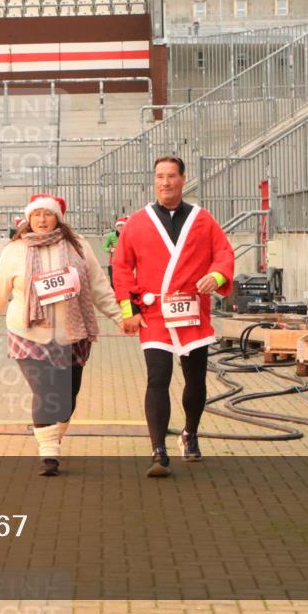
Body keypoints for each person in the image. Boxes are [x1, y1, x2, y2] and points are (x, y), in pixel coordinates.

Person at [0, 194, 124, 476]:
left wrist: (119, 316)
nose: (42, 220)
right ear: (28, 219)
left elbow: (99, 286)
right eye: (36, 214)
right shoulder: (15, 250)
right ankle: (49, 455)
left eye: (48, 214)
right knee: (45, 392)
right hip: (28, 334)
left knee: (68, 396)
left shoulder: (78, 246)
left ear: (58, 218)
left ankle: (54, 434)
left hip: (72, 334)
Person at [112, 156, 234, 477]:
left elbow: (223, 254)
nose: (164, 182)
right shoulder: (137, 222)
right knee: (158, 377)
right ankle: (158, 451)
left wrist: (218, 277)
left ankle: (190, 433)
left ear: (183, 179)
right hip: (154, 316)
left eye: (171, 176)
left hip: (192, 313)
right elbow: (122, 268)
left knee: (195, 381)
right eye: (159, 176)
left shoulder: (203, 219)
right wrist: (129, 311)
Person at [103, 216, 127, 286]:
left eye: (122, 225)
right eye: (118, 225)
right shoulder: (111, 236)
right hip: (113, 263)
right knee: (113, 283)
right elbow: (104, 247)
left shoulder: (127, 235)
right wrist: (110, 249)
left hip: (125, 263)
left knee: (124, 283)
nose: (120, 227)